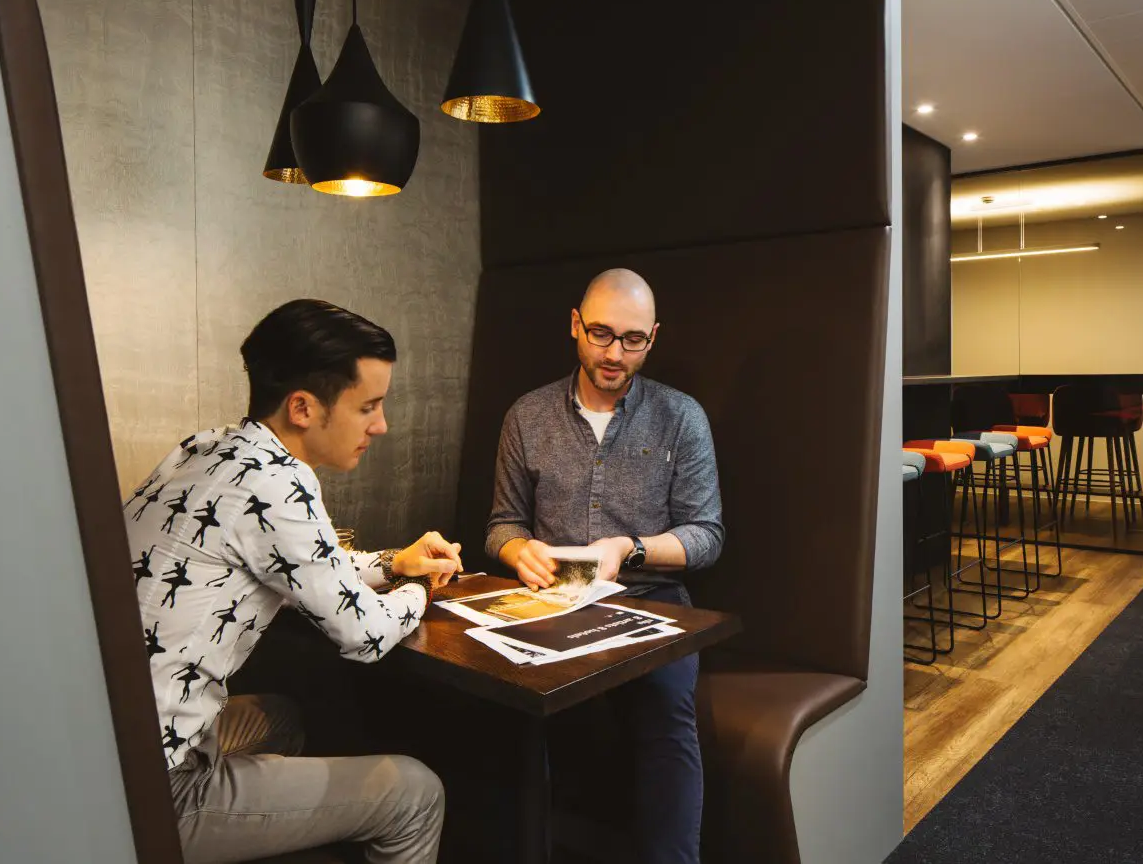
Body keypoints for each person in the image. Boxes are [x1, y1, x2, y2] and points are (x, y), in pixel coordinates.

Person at [126, 299, 462, 863]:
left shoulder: (207, 449)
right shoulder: (280, 484)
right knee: (415, 791)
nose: (382, 426)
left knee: (282, 718)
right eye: (369, 407)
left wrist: (395, 563)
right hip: (152, 791)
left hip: (111, 738)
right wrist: (423, 591)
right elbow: (366, 636)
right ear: (304, 407)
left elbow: (295, 561)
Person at [486, 268, 725, 864]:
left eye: (633, 339)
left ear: (653, 337)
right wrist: (520, 552)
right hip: (552, 600)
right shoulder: (527, 415)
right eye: (600, 334)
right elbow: (501, 526)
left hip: (650, 600)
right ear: (575, 325)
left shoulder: (681, 416)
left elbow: (707, 535)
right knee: (504, 706)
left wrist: (628, 549)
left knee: (668, 712)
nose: (614, 353)